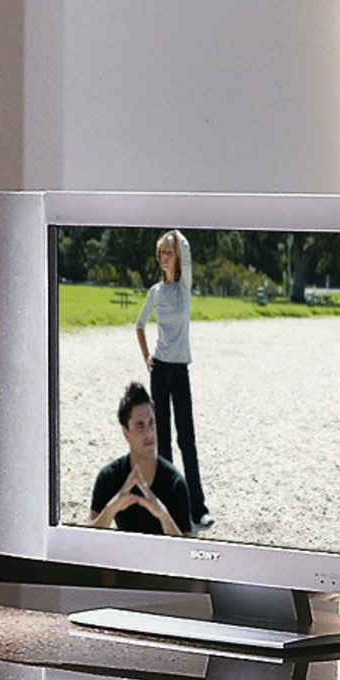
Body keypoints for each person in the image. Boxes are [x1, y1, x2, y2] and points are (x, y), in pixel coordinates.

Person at [134, 229, 212, 533]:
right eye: (161, 253)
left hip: (180, 372)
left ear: (176, 257)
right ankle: (170, 508)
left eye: (169, 252)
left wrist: (176, 234)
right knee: (162, 441)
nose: (164, 257)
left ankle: (199, 509)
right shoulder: (155, 292)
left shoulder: (183, 288)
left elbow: (188, 250)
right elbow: (139, 325)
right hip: (160, 371)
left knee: (187, 441)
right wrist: (147, 358)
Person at [89, 381, 192, 537]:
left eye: (152, 423)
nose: (149, 433)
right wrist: (112, 508)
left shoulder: (175, 484)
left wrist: (163, 515)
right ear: (126, 432)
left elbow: (188, 553)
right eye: (140, 426)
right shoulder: (109, 477)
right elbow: (88, 537)